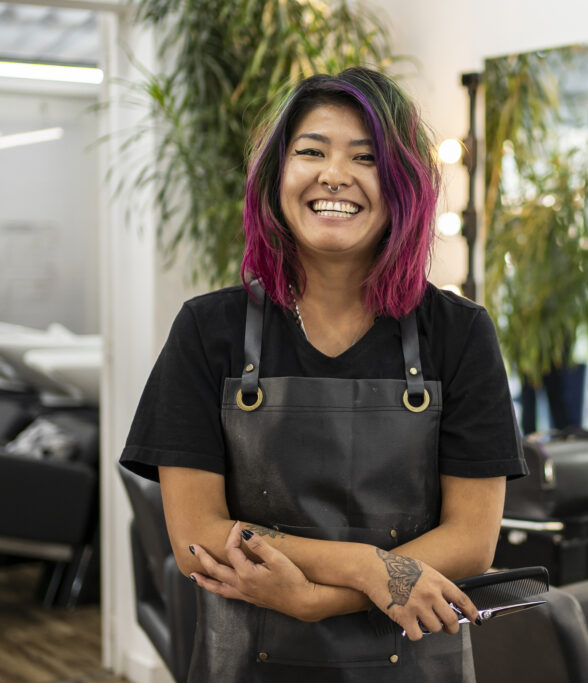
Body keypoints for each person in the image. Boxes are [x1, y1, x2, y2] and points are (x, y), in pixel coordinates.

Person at [120, 67, 526, 682]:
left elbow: (471, 538)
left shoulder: (459, 334)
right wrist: (369, 569)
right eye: (311, 151)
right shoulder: (209, 331)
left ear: (402, 187)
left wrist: (316, 601)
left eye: (366, 158)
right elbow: (198, 538)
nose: (334, 174)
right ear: (277, 177)